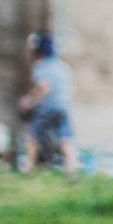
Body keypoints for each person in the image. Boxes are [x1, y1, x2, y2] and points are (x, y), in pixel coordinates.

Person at [16, 31, 77, 175]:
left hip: (48, 107)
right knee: (66, 140)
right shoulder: (63, 67)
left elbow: (44, 87)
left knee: (33, 136)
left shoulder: (42, 66)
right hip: (64, 106)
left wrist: (29, 101)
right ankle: (72, 173)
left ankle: (29, 170)